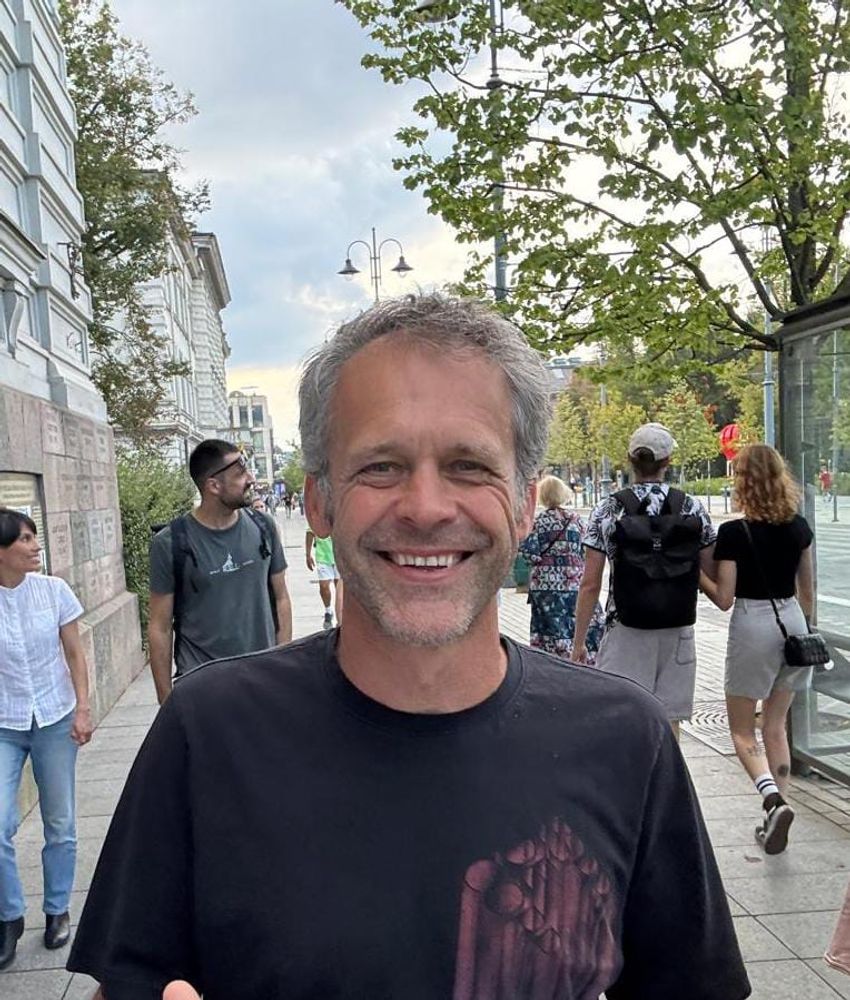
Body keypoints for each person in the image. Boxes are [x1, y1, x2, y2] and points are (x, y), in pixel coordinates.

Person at [68, 295, 749, 1000]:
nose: (425, 507)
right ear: (319, 503)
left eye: (468, 465)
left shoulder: (626, 741)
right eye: (382, 467)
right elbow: (129, 984)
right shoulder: (207, 732)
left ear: (522, 505)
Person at [700, 443, 814, 856]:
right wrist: (798, 631)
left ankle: (772, 800)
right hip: (793, 628)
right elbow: (808, 593)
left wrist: (699, 573)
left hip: (753, 623)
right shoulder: (800, 527)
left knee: (742, 730)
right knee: (776, 726)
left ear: (743, 482)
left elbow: (725, 597)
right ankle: (776, 813)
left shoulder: (734, 533)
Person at [572, 423, 716, 739]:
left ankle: (628, 786)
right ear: (668, 461)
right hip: (676, 627)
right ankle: (665, 786)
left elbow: (590, 584)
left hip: (625, 627)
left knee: (622, 723)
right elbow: (710, 570)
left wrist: (579, 640)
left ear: (629, 460)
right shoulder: (691, 506)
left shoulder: (608, 508)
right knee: (669, 725)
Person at [0, 509, 93, 969]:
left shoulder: (54, 591)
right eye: (24, 539)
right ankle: (9, 916)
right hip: (4, 724)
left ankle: (57, 909)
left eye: (35, 537)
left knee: (61, 823)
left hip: (55, 718)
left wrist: (83, 706)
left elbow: (74, 652)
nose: (36, 546)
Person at [147, 440, 292, 705]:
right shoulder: (171, 543)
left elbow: (281, 598)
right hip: (203, 688)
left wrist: (282, 664)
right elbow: (159, 626)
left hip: (262, 680)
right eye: (240, 474)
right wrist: (166, 700)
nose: (250, 479)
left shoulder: (264, 527)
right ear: (213, 486)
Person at [518, 475, 604, 661]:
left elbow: (528, 554)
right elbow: (588, 549)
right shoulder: (576, 521)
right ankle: (578, 657)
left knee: (549, 627)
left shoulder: (538, 522)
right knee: (575, 623)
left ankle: (552, 661)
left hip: (544, 588)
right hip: (574, 584)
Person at [305, 527, 342, 629]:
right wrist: (308, 555)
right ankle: (328, 610)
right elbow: (310, 532)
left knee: (339, 590)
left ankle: (341, 620)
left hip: (339, 556)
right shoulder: (319, 514)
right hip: (323, 557)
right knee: (324, 586)